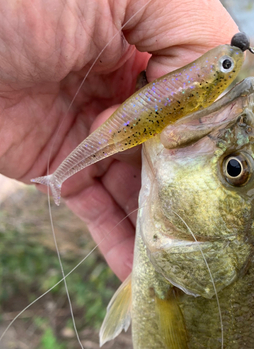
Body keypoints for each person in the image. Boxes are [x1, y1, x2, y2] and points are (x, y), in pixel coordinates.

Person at [0, 0, 238, 280]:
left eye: (225, 66)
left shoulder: (201, 85)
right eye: (226, 65)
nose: (225, 61)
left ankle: (57, 177)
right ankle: (57, 177)